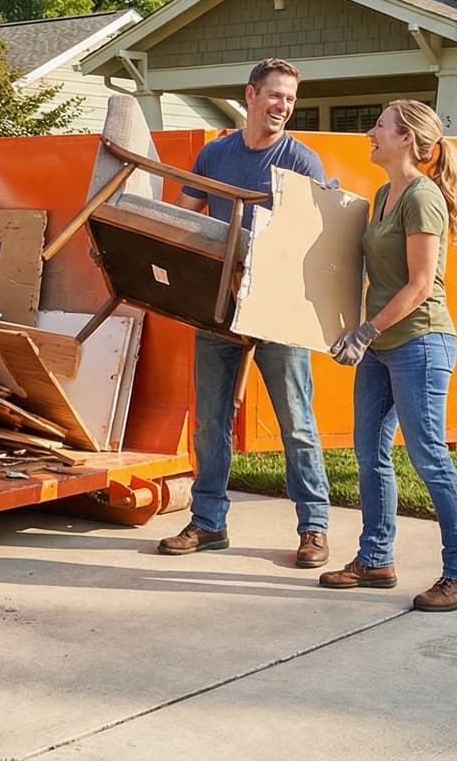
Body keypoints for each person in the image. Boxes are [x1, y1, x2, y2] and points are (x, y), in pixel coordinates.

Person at [157, 58, 333, 569]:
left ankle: (315, 526)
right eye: (275, 95)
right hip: (220, 307)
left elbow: (319, 241)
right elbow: (182, 217)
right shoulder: (215, 156)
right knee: (211, 420)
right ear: (250, 95)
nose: (283, 107)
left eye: (290, 99)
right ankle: (209, 522)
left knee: (295, 421)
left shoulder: (302, 161)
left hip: (278, 309)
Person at [319, 98, 457, 611]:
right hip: (381, 345)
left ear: (405, 138)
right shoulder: (384, 193)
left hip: (419, 341)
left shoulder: (422, 197)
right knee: (369, 453)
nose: (371, 132)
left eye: (380, 126)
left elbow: (419, 285)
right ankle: (375, 559)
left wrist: (365, 331)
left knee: (429, 457)